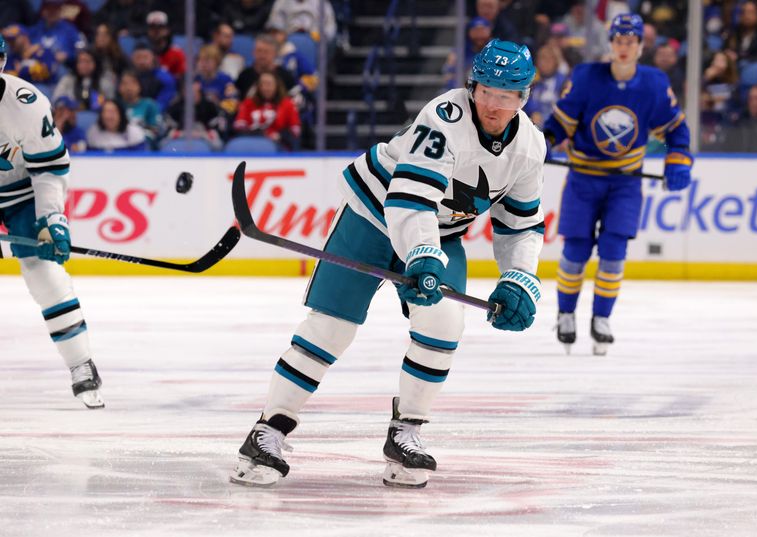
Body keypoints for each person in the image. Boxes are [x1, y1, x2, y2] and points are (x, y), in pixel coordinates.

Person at [229, 38, 546, 489]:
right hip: (374, 214)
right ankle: (268, 431)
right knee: (331, 328)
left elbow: (520, 225)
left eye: (507, 96)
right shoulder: (445, 117)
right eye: (487, 92)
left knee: (443, 326)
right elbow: (409, 197)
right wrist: (421, 253)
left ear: (524, 97)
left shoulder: (531, 147)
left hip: (439, 234)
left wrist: (519, 277)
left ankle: (406, 434)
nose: (494, 105)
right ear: (472, 86)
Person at [543, 14, 692, 356]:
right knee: (576, 249)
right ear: (610, 44)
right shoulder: (585, 77)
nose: (624, 47)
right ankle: (566, 314)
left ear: (641, 47)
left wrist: (679, 158)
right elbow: (560, 124)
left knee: (614, 249)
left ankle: (601, 319)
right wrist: (544, 142)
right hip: (583, 177)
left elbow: (677, 131)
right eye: (618, 40)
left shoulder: (654, 84)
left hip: (625, 183)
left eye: (631, 41)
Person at [0, 36, 104, 408]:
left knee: (42, 270)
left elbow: (50, 168)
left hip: (23, 192)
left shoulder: (24, 105)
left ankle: (80, 363)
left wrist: (51, 219)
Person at [233, 70, 300, 149]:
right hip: (252, 144)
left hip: (279, 148)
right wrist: (261, 134)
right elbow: (239, 126)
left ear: (277, 85)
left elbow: (295, 130)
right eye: (262, 84)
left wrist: (279, 136)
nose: (265, 88)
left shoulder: (288, 104)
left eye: (269, 84)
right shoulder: (248, 103)